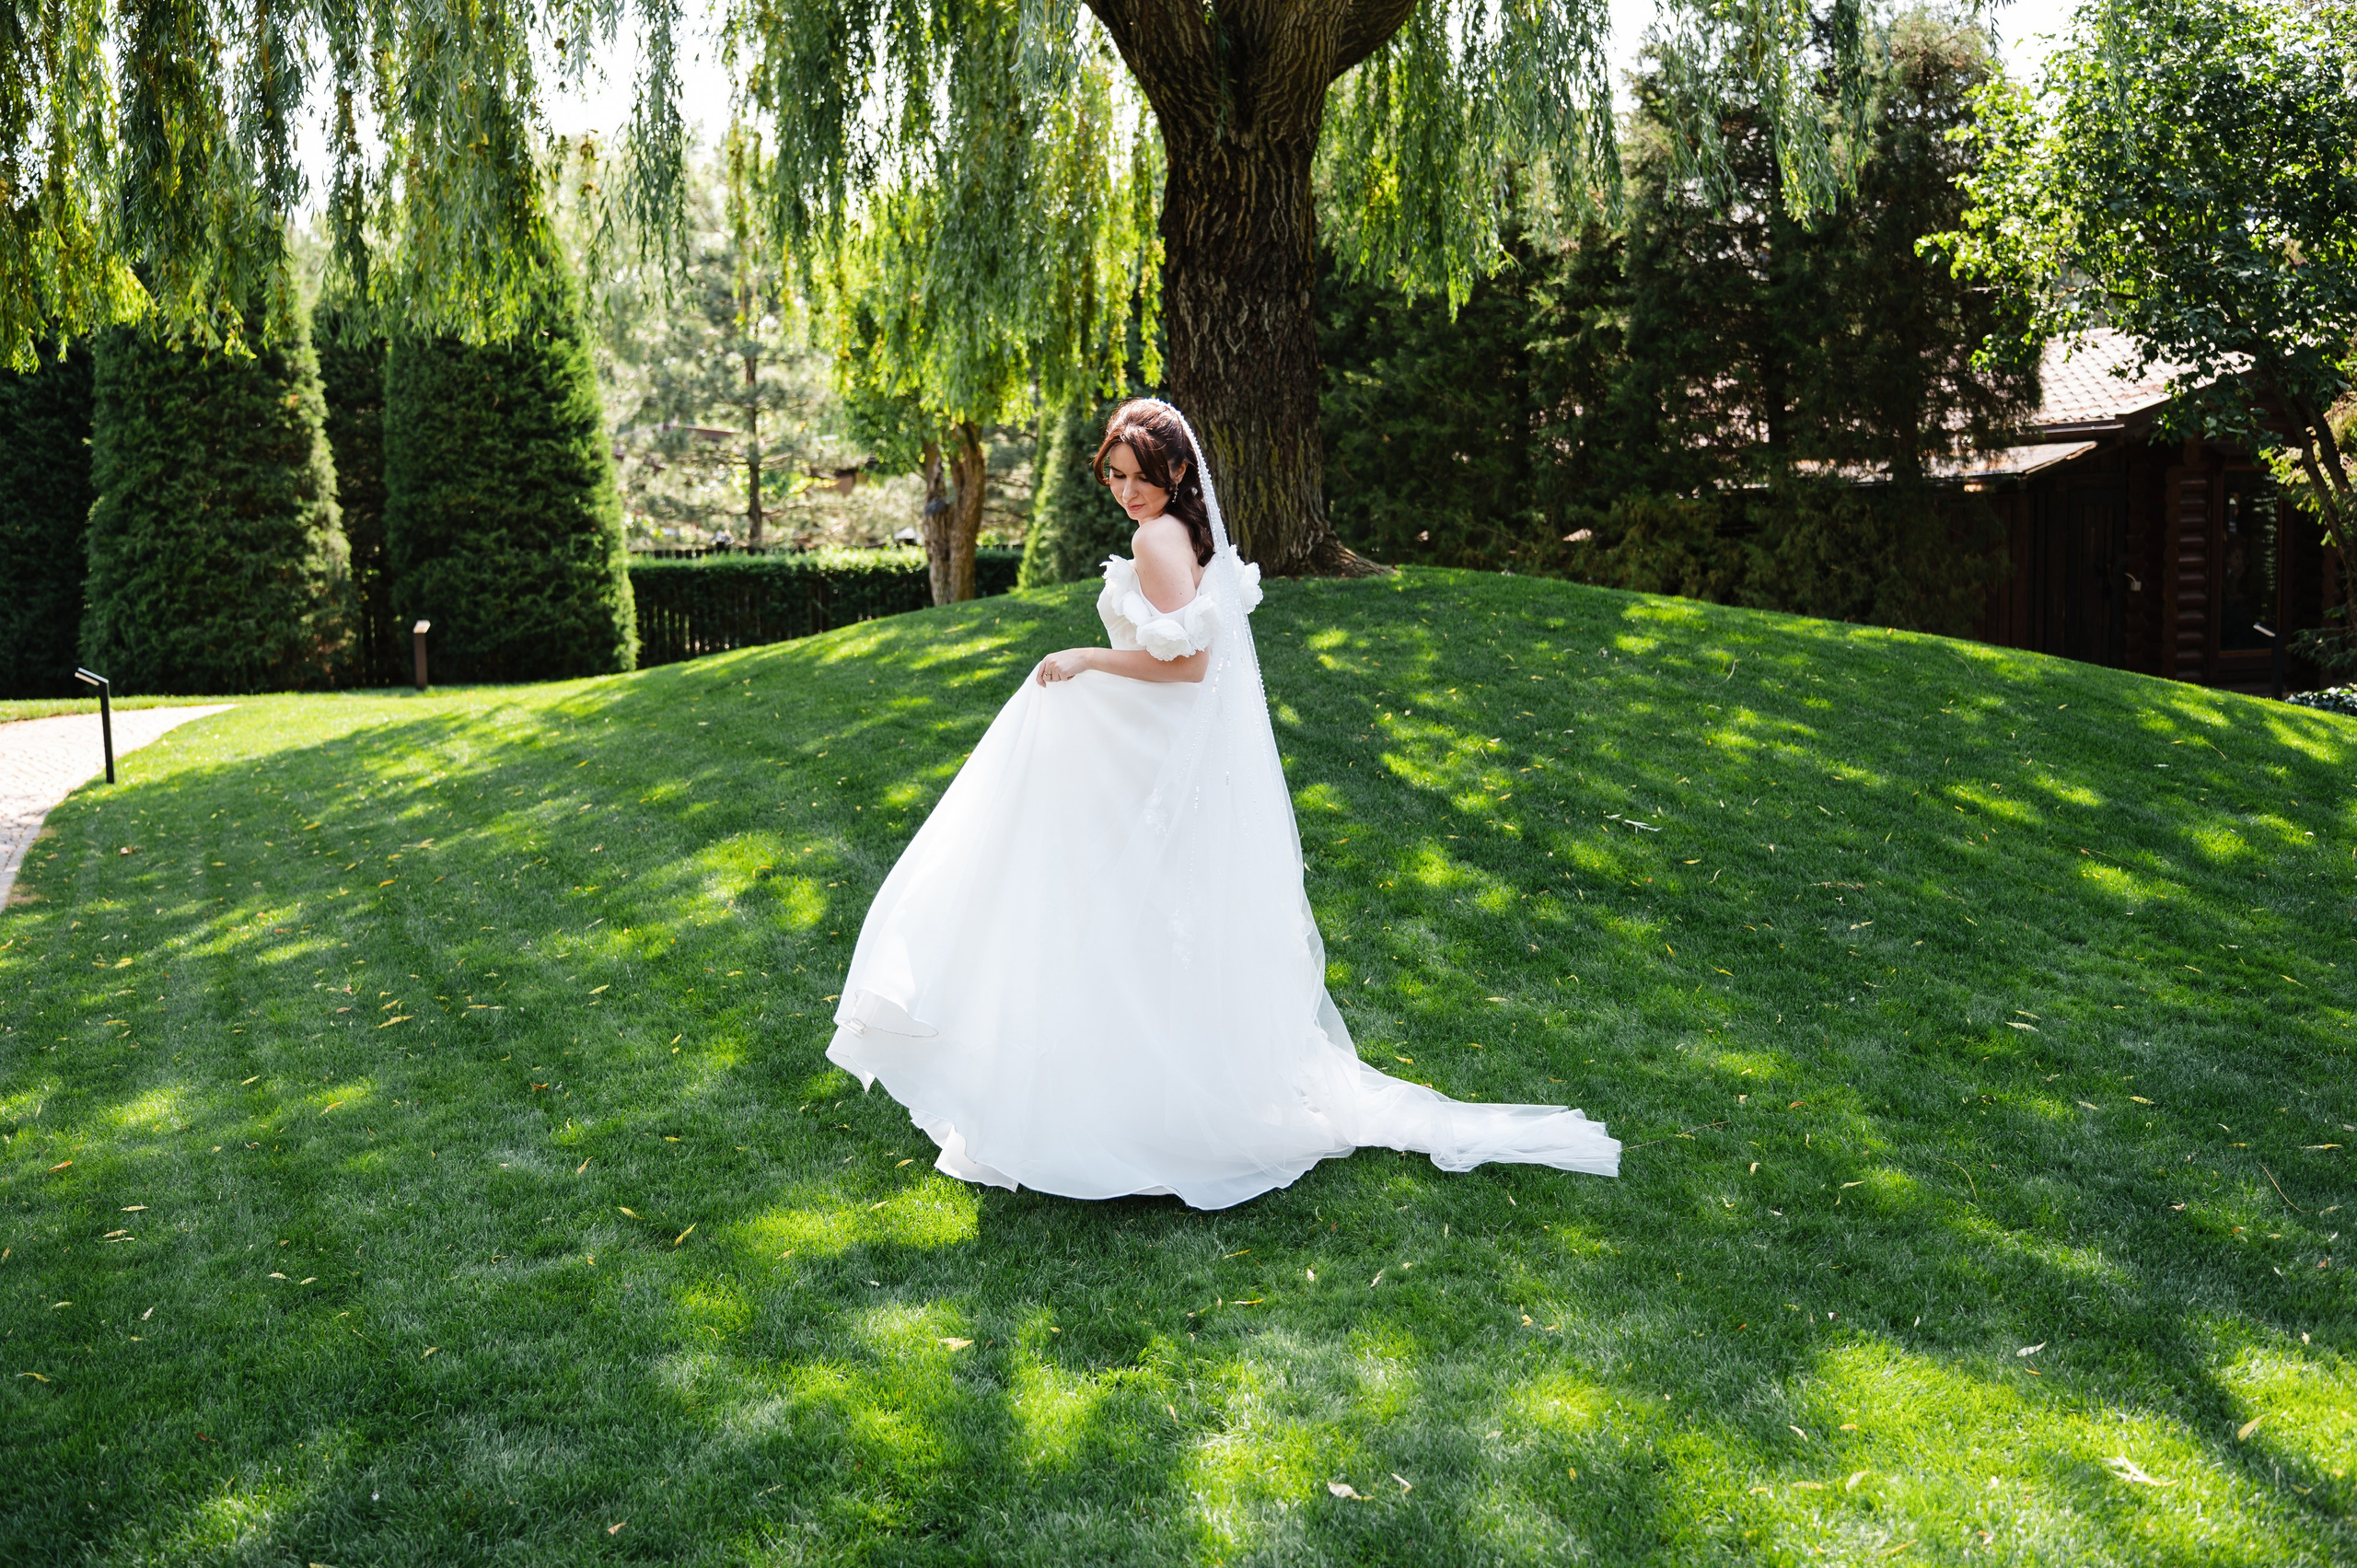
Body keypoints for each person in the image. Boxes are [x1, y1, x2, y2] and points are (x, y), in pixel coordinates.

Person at [825, 399, 1619, 1209]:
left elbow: (1187, 668)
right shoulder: (1183, 534)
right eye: (1115, 476)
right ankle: (1127, 1078)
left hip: (1150, 743)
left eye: (1139, 477)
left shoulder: (1157, 538)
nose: (1126, 492)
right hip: (1153, 744)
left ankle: (1114, 1098)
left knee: (1095, 898)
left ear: (1175, 473)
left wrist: (1084, 656)